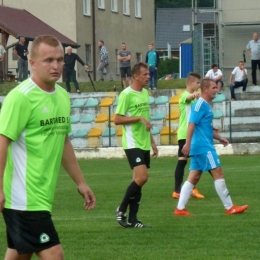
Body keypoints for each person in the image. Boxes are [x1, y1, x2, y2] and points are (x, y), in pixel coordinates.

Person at [0, 35, 96, 260]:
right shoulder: (20, 98)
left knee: (19, 254)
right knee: (54, 254)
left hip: (41, 195)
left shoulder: (62, 96)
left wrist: (81, 182)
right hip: (22, 197)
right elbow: (2, 141)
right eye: (48, 60)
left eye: (60, 60)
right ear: (32, 63)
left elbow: (63, 140)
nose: (56, 66)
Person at [174, 79, 248, 216]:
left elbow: (206, 127)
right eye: (214, 87)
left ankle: (180, 209)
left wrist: (220, 138)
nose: (217, 90)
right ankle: (229, 207)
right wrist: (187, 143)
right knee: (218, 173)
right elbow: (191, 124)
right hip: (203, 147)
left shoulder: (206, 105)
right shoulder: (199, 104)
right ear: (205, 89)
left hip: (201, 146)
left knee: (193, 178)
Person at [114, 62, 158, 228]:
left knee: (138, 181)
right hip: (132, 143)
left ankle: (133, 219)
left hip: (144, 142)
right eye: (145, 74)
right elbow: (117, 119)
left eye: (149, 74)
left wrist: (152, 142)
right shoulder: (127, 94)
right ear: (136, 76)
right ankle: (121, 209)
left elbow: (146, 121)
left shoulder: (145, 93)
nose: (149, 77)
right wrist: (138, 118)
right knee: (142, 177)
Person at [172, 73, 204, 200]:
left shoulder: (195, 99)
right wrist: (194, 95)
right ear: (191, 83)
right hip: (185, 134)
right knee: (189, 161)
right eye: (197, 83)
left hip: (191, 133)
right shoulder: (184, 96)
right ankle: (184, 189)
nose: (199, 85)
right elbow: (188, 98)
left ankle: (180, 190)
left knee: (187, 162)